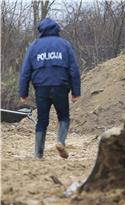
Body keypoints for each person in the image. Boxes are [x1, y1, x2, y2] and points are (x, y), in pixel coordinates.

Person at [19, 18, 81, 159]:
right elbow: (74, 70)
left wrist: (23, 93)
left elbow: (25, 71)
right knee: (63, 116)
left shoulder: (34, 46)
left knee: (42, 121)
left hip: (41, 88)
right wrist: (75, 92)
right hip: (61, 86)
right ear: (56, 29)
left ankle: (38, 154)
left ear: (41, 30)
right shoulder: (65, 45)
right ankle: (60, 141)